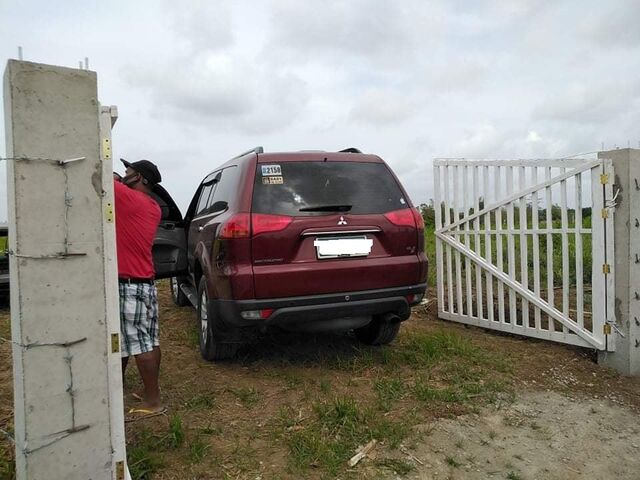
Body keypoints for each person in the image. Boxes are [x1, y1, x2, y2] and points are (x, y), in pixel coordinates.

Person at [114, 158, 164, 415]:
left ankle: (153, 402)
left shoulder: (128, 198)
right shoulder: (153, 206)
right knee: (147, 340)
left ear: (140, 179)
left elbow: (98, 177)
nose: (124, 175)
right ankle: (123, 390)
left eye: (128, 172)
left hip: (129, 283)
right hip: (144, 282)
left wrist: (113, 177)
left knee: (140, 344)